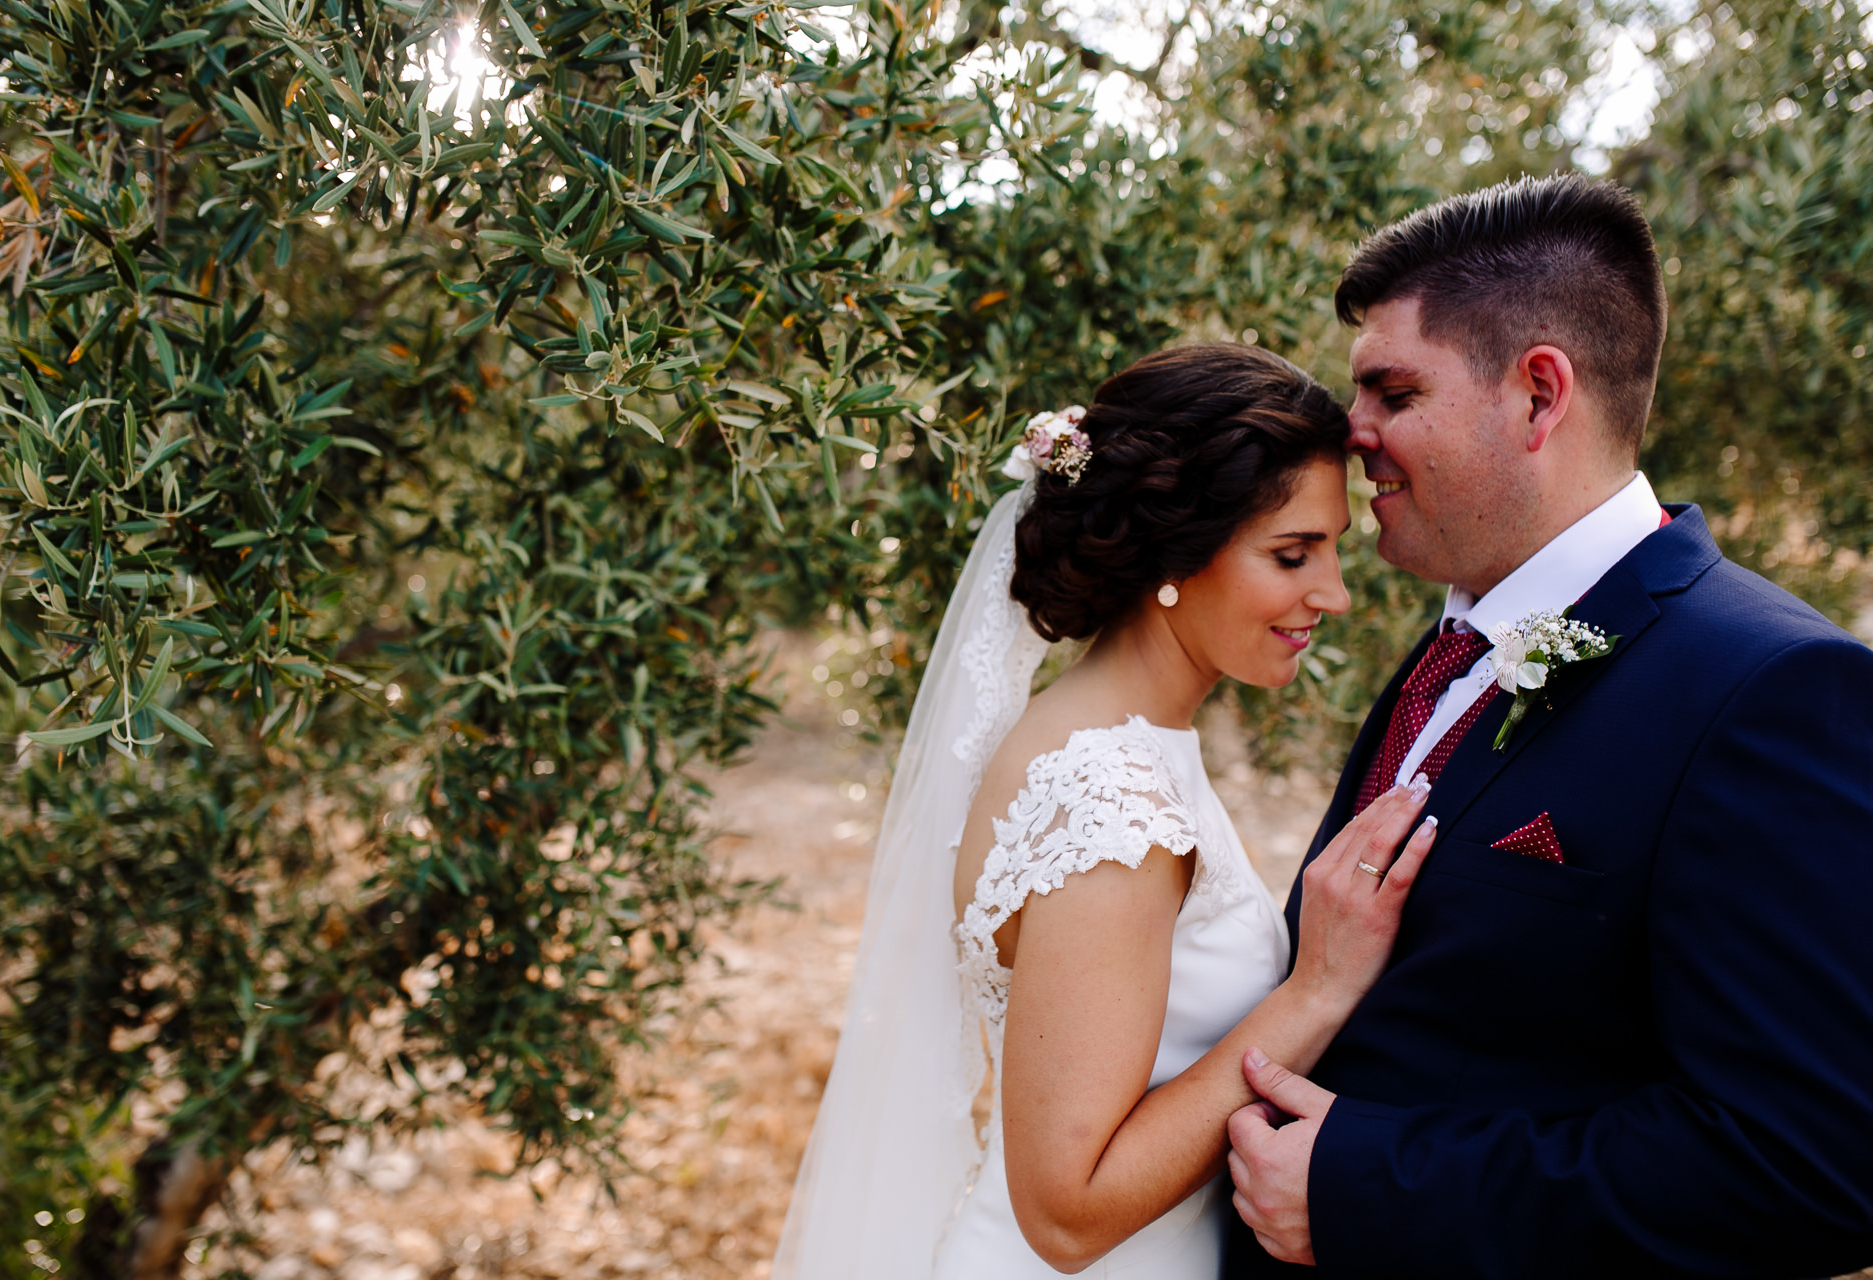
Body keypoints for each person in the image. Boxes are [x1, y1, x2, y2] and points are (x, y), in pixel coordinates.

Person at [1223, 174, 1873, 1277]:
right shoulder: (1452, 650)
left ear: (1537, 394)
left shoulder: (1773, 689)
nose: (1352, 434)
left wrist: (1367, 1185)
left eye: (1391, 391)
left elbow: (1816, 1161)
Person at [773, 343, 1440, 1279]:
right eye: (1293, 554)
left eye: (1334, 548)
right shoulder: (1113, 807)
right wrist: (1314, 993)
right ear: (1174, 556)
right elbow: (1070, 1213)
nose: (1330, 593)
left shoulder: (1100, 740)